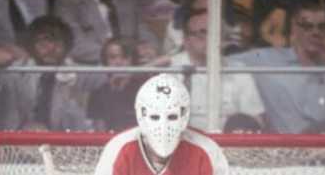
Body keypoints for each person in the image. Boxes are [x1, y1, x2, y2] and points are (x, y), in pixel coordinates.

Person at [229, 0, 325, 134]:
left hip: (322, 149)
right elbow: (221, 61)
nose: (316, 32)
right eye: (307, 26)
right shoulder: (266, 60)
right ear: (294, 28)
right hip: (281, 150)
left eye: (322, 27)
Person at [94, 73, 229, 175]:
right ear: (142, 116)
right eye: (154, 116)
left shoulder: (206, 150)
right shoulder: (119, 149)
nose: (163, 127)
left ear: (184, 116)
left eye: (171, 116)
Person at [0, 15, 105, 131]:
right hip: (20, 139)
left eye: (57, 41)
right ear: (32, 43)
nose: (51, 48)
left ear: (67, 44)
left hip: (67, 141)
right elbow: (8, 119)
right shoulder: (15, 73)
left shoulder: (81, 73)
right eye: (44, 41)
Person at [168, 9, 265, 130]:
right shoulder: (171, 70)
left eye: (216, 32)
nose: (211, 38)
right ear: (186, 40)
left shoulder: (239, 69)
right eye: (202, 33)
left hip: (229, 146)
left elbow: (256, 119)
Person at [87, 37, 144, 131]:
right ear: (105, 61)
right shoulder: (98, 93)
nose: (118, 62)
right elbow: (98, 129)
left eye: (124, 57)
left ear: (133, 60)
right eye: (113, 57)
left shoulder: (143, 91)